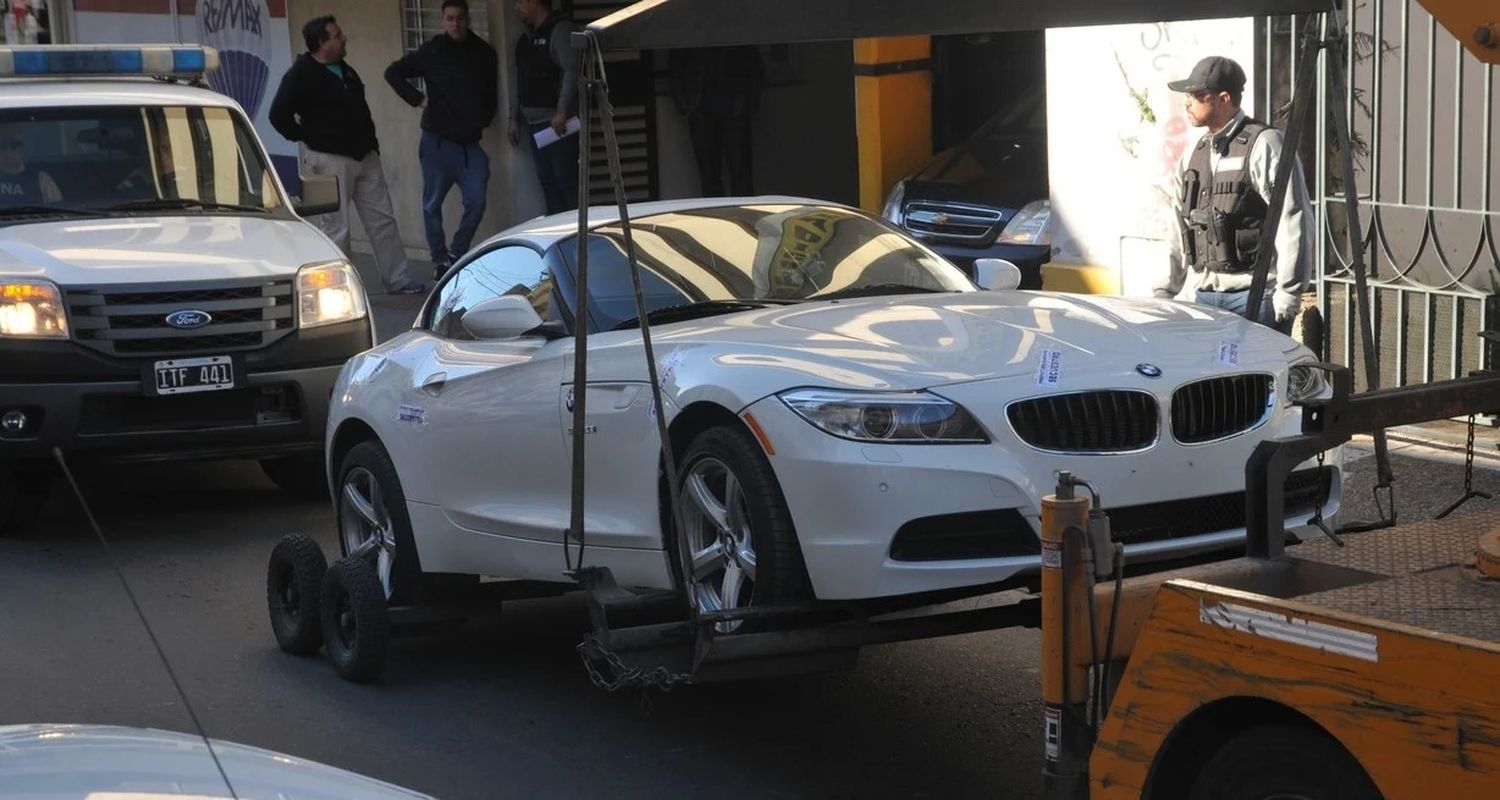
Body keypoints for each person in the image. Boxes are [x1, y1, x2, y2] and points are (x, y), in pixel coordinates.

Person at [1156, 55, 1312, 334]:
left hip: (1256, 298)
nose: (1187, 102)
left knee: (1256, 379)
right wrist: (1165, 290)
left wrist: (1288, 293)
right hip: (1204, 299)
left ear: (1224, 98)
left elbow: (1293, 217)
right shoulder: (1193, 153)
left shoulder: (1264, 144)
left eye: (1197, 95)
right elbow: (1178, 226)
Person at [270, 15, 422, 294]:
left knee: (382, 220)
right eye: (338, 36)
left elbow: (361, 110)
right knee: (336, 227)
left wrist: (372, 145)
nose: (344, 39)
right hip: (329, 159)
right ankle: (337, 289)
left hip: (365, 155)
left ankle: (397, 279)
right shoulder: (301, 74)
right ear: (322, 43)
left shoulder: (346, 71)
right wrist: (305, 136)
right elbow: (278, 115)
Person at [385, 0, 498, 280]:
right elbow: (394, 73)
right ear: (443, 20)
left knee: (476, 201)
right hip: (437, 141)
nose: (454, 23)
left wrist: (482, 119)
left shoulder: (484, 53)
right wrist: (419, 100)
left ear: (468, 19)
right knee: (431, 205)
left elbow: (491, 94)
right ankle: (440, 260)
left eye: (459, 18)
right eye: (449, 18)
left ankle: (457, 254)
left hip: (470, 145)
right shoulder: (433, 50)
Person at [509, 0, 578, 215]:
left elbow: (571, 71)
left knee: (565, 181)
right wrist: (514, 117)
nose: (516, 7)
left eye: (519, 2)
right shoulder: (527, 38)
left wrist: (562, 110)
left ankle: (576, 234)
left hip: (556, 124)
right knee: (547, 182)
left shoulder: (559, 30)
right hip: (533, 123)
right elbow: (521, 81)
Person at [669, 45, 763, 197]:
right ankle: (717, 219)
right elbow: (675, 66)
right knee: (709, 176)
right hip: (701, 108)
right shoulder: (690, 28)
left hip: (733, 106)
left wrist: (748, 102)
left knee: (740, 174)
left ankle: (743, 216)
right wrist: (685, 105)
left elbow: (754, 64)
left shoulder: (733, 27)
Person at [0, 125, 61, 205]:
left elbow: (58, 209)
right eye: (3, 146)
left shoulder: (41, 179)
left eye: (14, 146)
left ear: (22, 148)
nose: (8, 152)